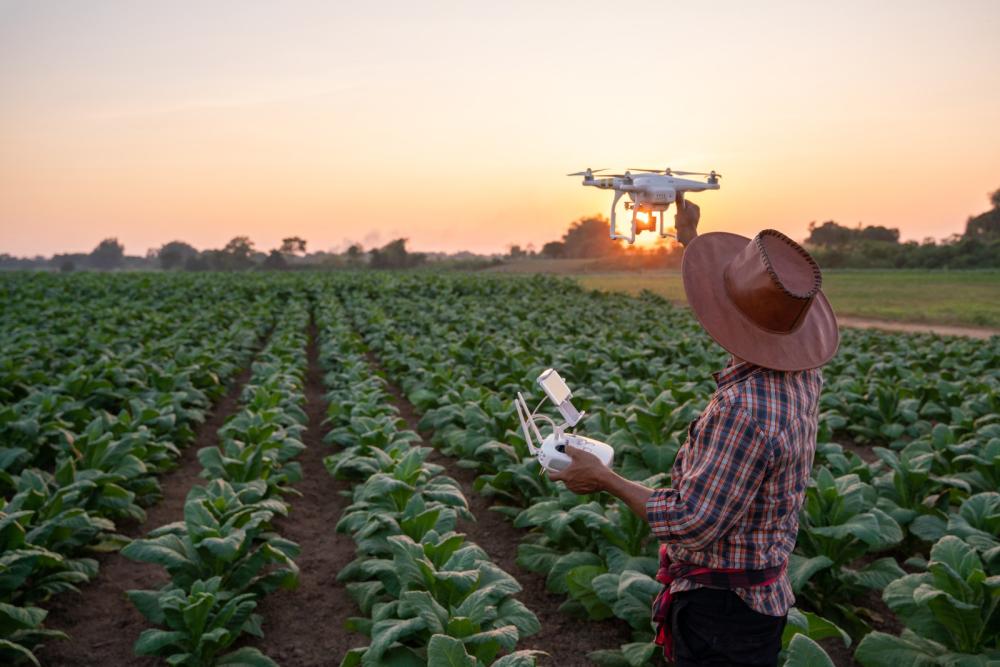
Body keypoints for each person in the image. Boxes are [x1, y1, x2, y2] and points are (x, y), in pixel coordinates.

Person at [548, 220, 839, 667]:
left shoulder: (744, 409)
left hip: (722, 616)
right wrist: (692, 240)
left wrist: (604, 479)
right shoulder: (802, 373)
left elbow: (691, 523)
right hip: (760, 596)